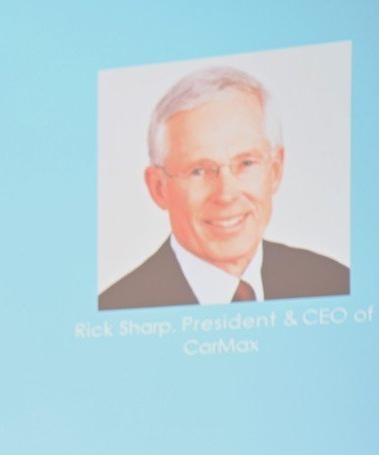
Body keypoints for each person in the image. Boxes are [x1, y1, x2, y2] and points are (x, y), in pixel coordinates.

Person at [99, 65, 349, 311]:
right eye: (199, 170)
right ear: (159, 188)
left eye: (246, 163)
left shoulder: (334, 283)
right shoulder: (117, 308)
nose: (226, 194)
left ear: (275, 170)